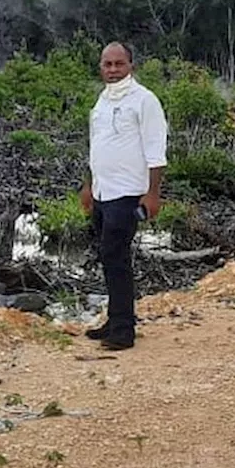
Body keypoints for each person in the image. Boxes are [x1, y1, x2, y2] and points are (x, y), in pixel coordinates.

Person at [78, 42, 168, 350]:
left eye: (119, 64)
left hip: (128, 192)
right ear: (101, 67)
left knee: (116, 256)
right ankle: (115, 319)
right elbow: (95, 147)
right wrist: (89, 185)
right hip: (103, 191)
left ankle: (124, 331)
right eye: (107, 64)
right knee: (107, 256)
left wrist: (153, 194)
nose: (113, 70)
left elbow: (156, 151)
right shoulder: (101, 102)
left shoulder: (144, 101)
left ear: (131, 65)